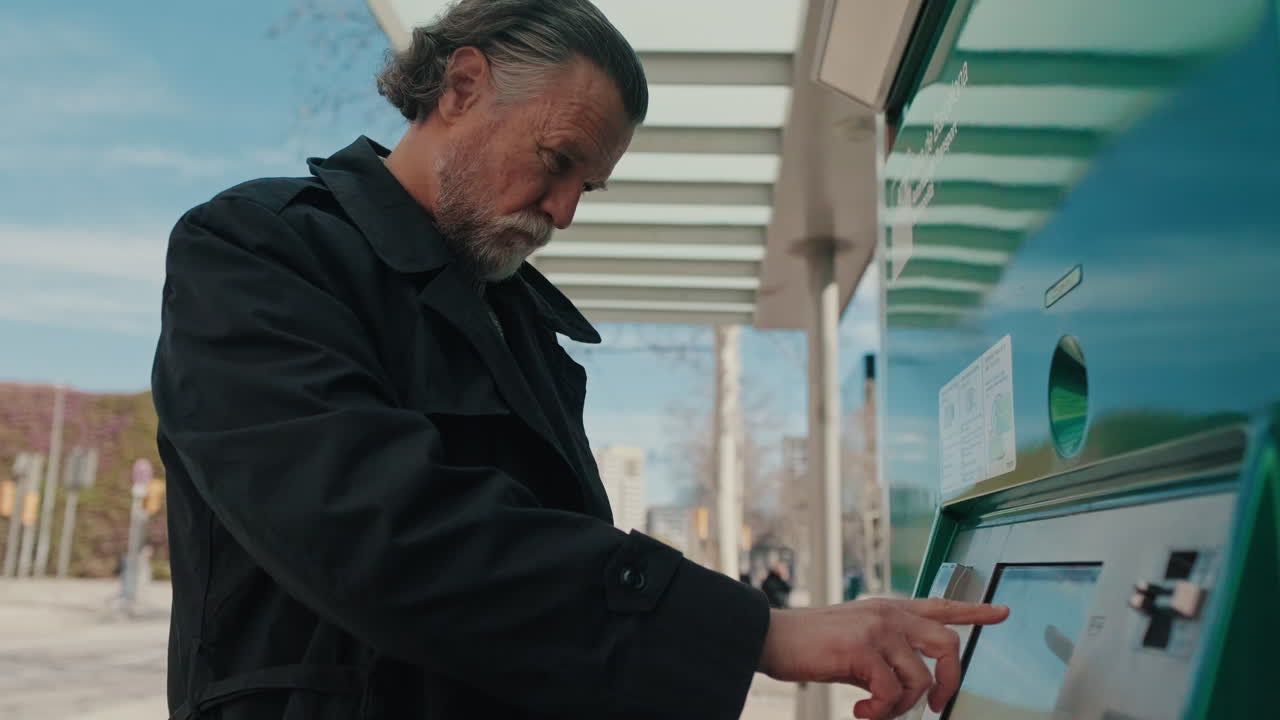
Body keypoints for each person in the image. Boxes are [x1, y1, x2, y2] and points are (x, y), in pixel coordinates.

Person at [151, 1, 1008, 718]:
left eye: (587, 188)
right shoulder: (254, 249)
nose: (564, 213)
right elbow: (369, 524)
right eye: (558, 163)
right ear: (461, 86)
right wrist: (761, 633)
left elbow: (549, 585)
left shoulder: (513, 312)